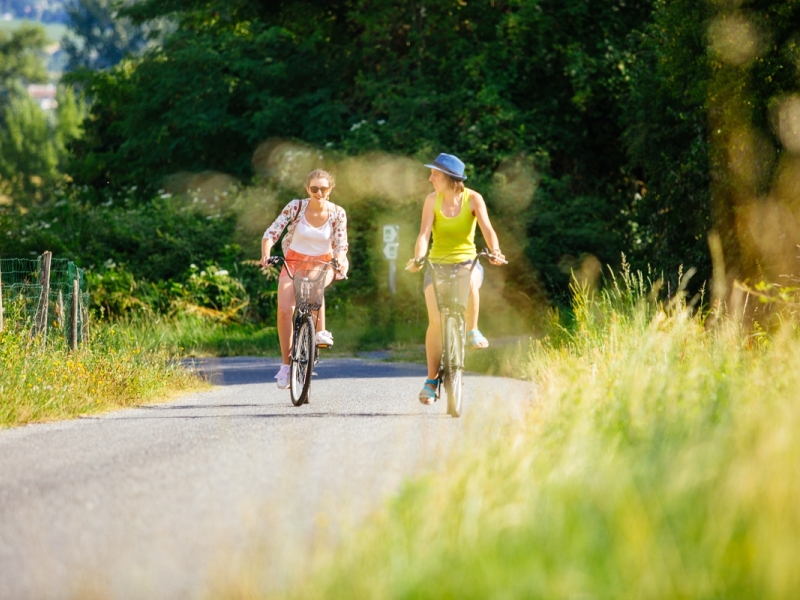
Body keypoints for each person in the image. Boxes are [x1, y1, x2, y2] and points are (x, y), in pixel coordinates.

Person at [406, 153, 505, 404]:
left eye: (435, 174)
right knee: (436, 321)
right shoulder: (432, 200)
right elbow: (423, 235)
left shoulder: (473, 198)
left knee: (469, 279)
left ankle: (472, 330)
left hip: (466, 262)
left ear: (450, 178)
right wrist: (419, 258)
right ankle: (431, 380)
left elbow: (488, 229)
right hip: (437, 264)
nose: (430, 179)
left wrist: (495, 252)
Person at [260, 169, 348, 389]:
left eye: (323, 188)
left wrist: (339, 259)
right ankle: (286, 366)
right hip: (294, 262)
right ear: (307, 189)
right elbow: (272, 232)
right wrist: (266, 254)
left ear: (330, 190)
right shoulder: (296, 207)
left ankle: (320, 332)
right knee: (284, 310)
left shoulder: (337, 212)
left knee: (316, 285)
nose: (319, 192)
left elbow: (341, 244)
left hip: (323, 262)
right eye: (314, 188)